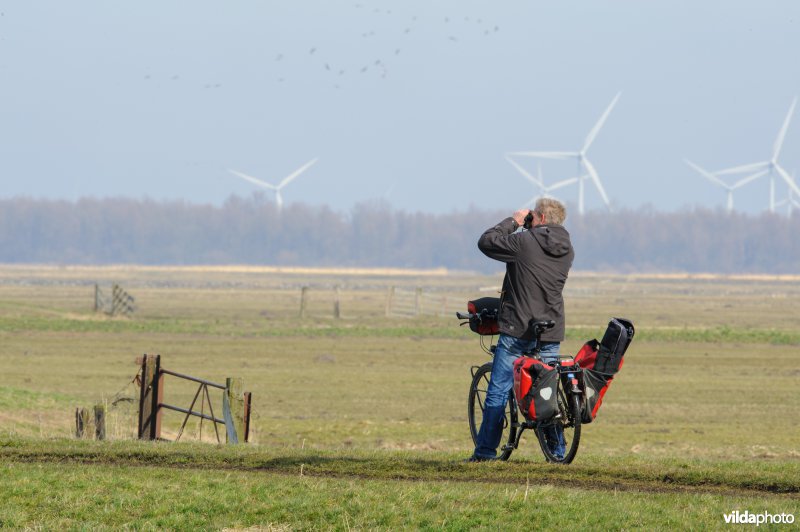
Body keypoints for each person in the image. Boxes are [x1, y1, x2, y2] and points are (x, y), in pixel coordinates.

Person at [468, 197, 574, 461]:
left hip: (518, 328)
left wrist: (514, 221)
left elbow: (486, 241)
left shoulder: (524, 242)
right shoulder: (567, 248)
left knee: (499, 390)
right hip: (550, 329)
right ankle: (557, 451)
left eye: (533, 216)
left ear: (539, 218)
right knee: (546, 391)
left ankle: (484, 452)